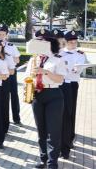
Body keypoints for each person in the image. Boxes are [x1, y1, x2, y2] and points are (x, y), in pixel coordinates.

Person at [25, 29, 66, 169]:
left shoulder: (58, 58)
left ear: (50, 42)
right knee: (41, 130)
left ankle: (52, 162)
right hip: (38, 95)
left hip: (54, 95)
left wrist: (45, 72)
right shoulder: (33, 59)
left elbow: (60, 79)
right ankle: (43, 159)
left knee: (53, 131)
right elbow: (27, 78)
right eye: (38, 41)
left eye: (43, 40)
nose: (40, 43)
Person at [59, 30, 87, 159]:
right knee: (61, 113)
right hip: (61, 84)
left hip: (73, 85)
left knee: (71, 112)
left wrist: (78, 69)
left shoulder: (81, 54)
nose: (73, 44)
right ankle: (61, 141)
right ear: (66, 42)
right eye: (71, 42)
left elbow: (82, 66)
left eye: (75, 42)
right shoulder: (59, 53)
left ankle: (69, 139)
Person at [0, 24, 22, 128]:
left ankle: (16, 118)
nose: (1, 36)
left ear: (6, 35)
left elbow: (18, 60)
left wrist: (9, 57)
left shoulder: (11, 46)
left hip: (11, 73)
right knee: (1, 96)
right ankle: (1, 117)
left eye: (3, 34)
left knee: (14, 95)